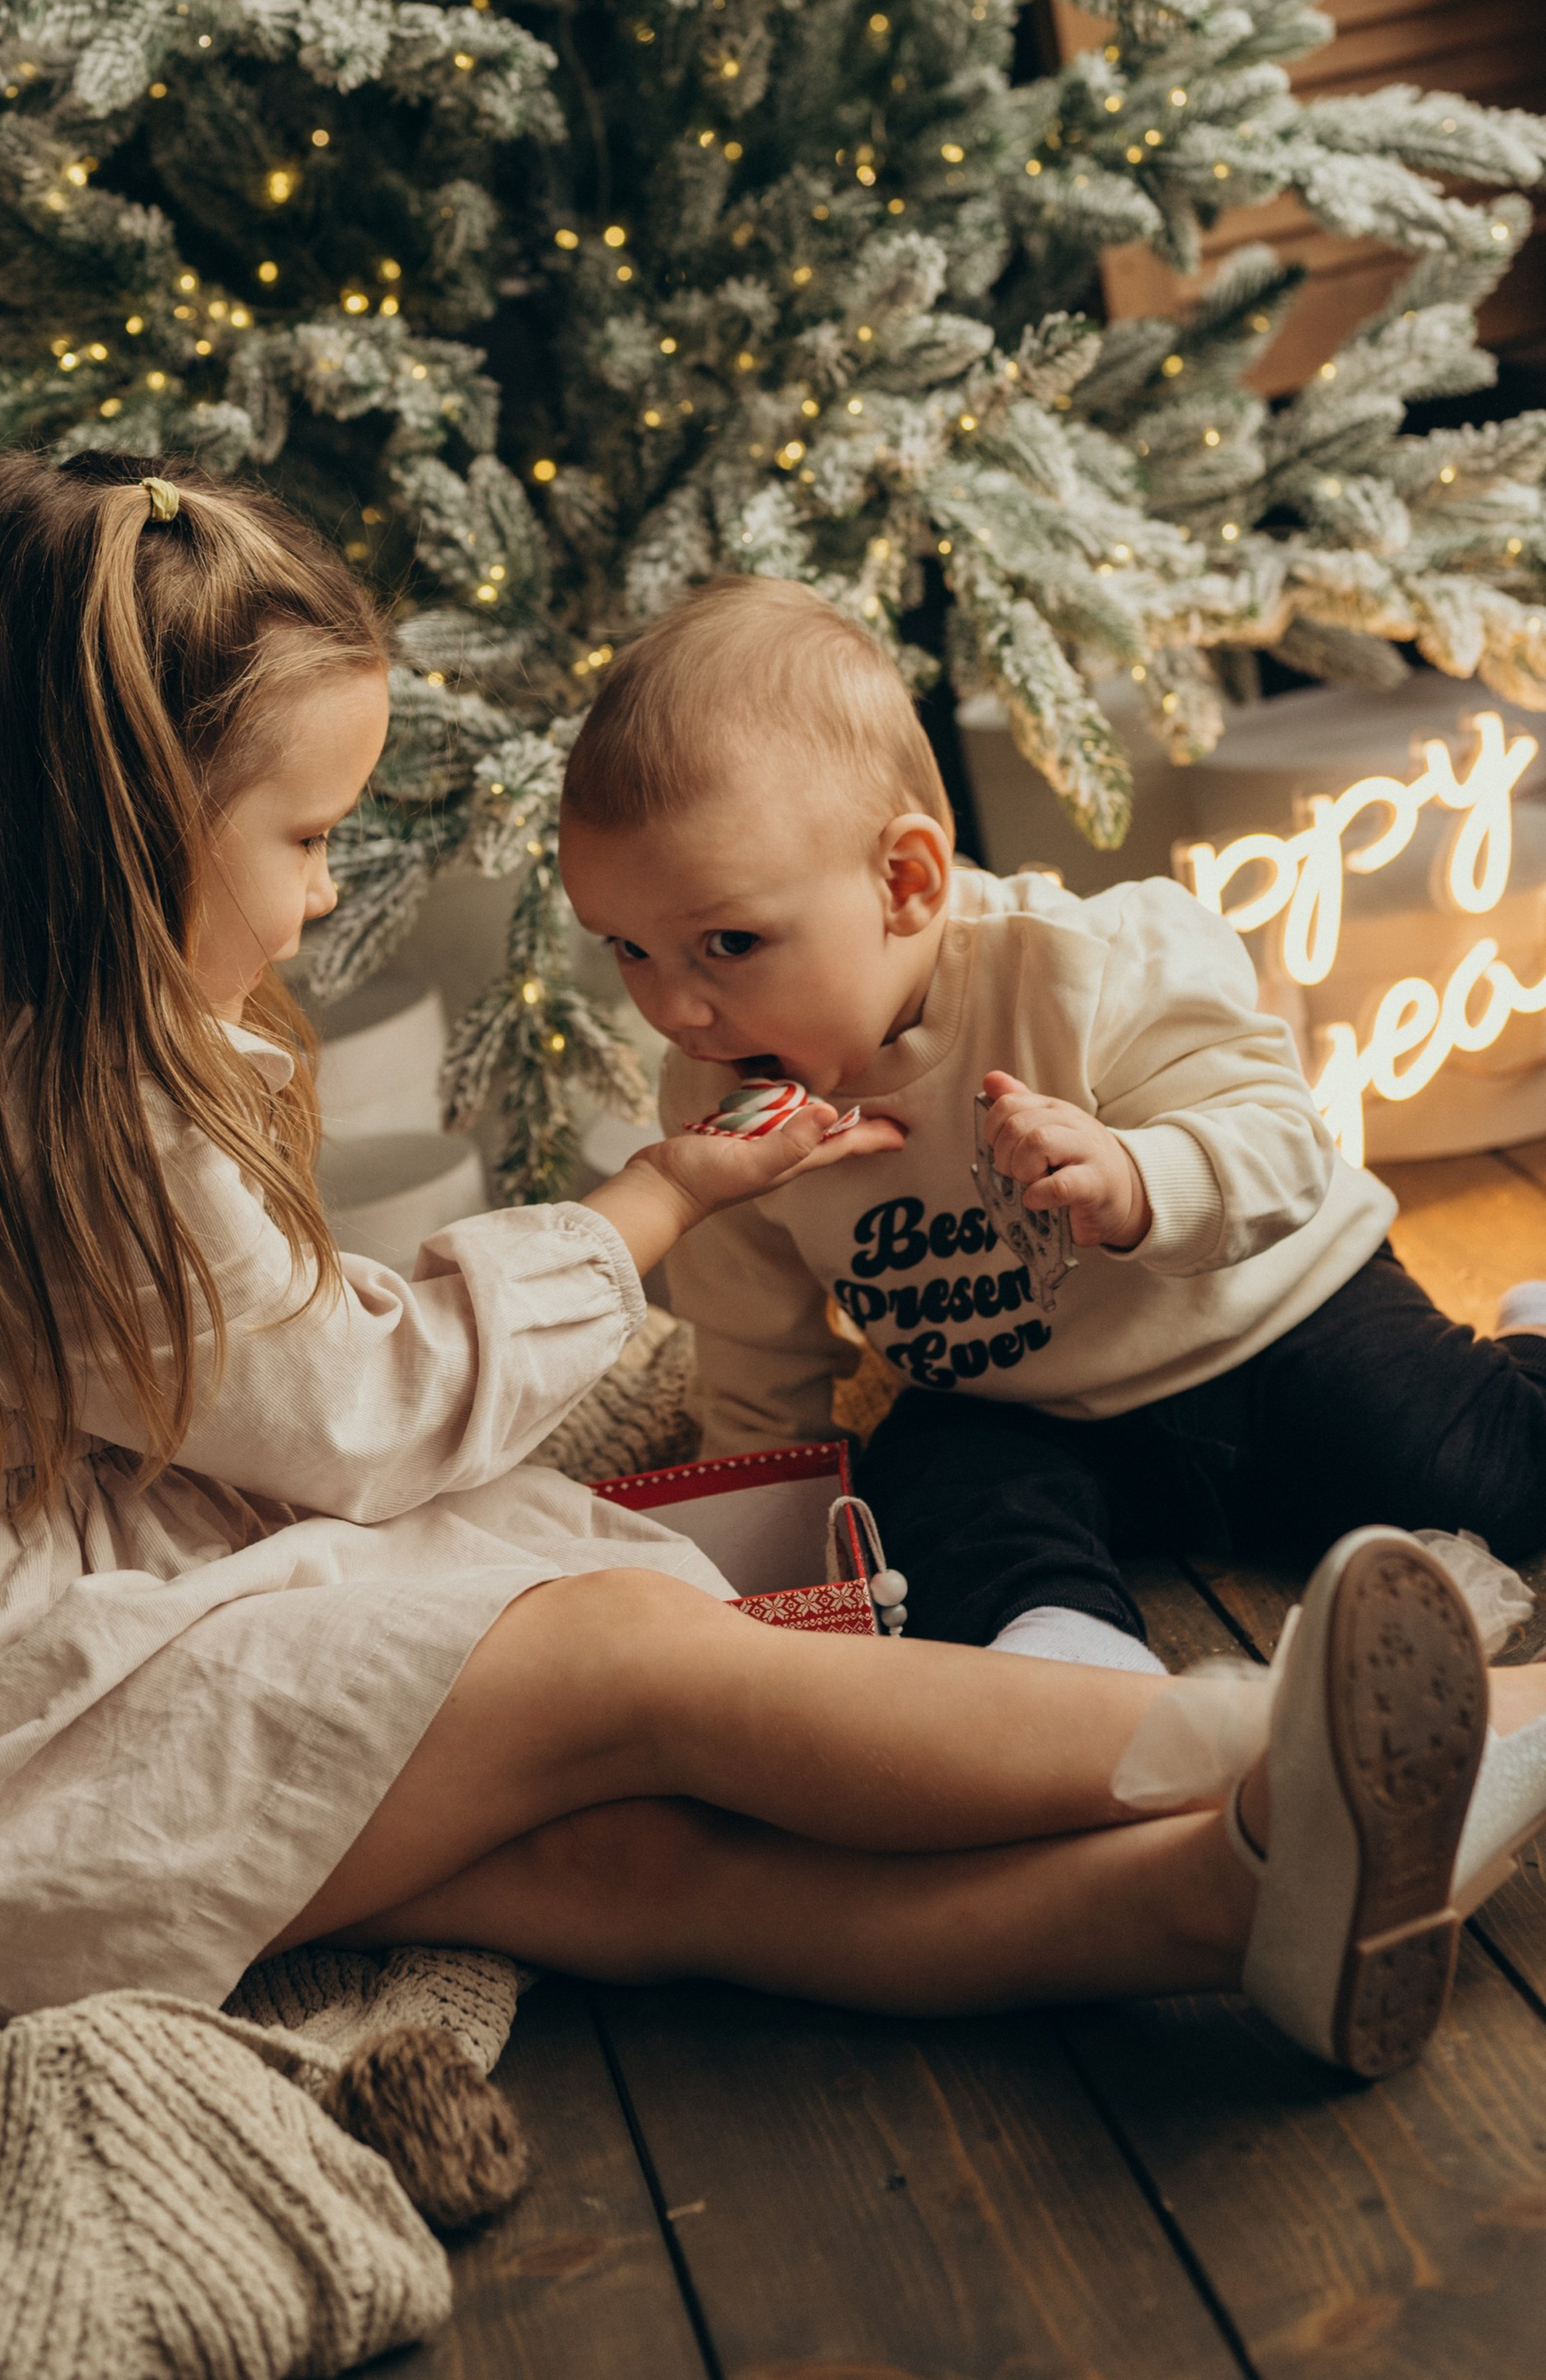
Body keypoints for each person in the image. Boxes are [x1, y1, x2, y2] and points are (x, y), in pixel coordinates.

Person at [0, 457, 1546, 2088]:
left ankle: (1228, 1904)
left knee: (632, 1865)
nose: (314, 895)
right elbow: (357, 1409)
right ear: (107, 828)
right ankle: (1280, 1754)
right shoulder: (67, 1119)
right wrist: (646, 1209)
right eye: (302, 837)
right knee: (628, 1659)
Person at [556, 572, 1546, 1686]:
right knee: (923, 1497)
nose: (674, 1007)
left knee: (1493, 1483)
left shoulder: (1092, 963)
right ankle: (1065, 1651)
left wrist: (1135, 1176)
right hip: (1017, 1409)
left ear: (905, 881)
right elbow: (752, 1337)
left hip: (1273, 1323)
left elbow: (1283, 1142)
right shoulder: (709, 1099)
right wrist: (755, 1518)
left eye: (726, 943)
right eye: (626, 949)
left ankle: (1530, 1351)